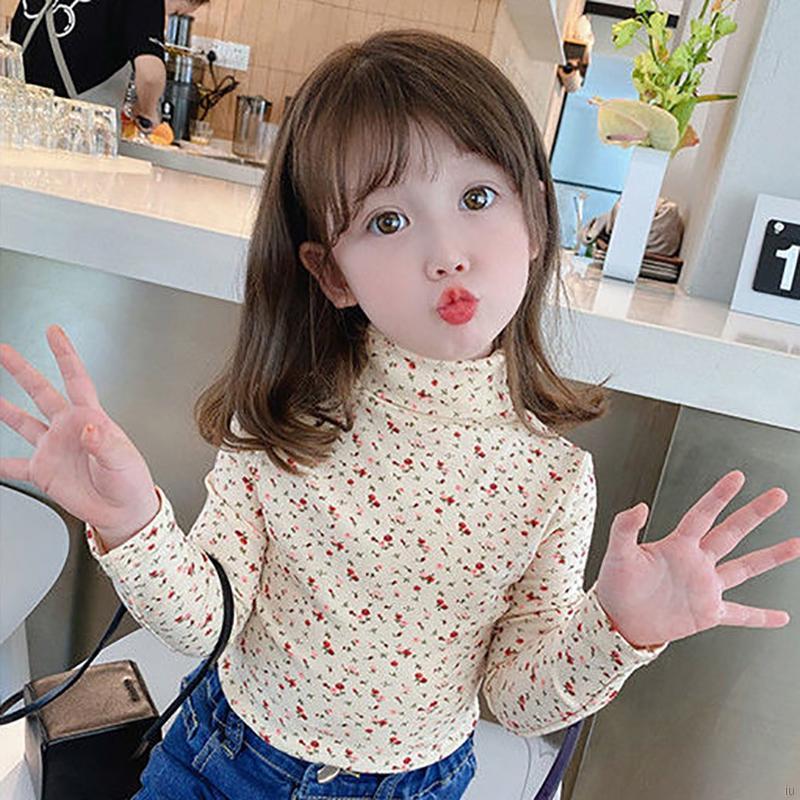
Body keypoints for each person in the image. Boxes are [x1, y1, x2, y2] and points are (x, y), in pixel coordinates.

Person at [1, 28, 798, 800]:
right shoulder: (283, 422)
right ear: (332, 274)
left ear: (534, 218)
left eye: (477, 197)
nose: (446, 252)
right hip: (224, 763)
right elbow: (209, 621)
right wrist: (133, 525)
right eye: (388, 221)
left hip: (418, 787)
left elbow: (515, 699)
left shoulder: (554, 479)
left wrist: (619, 629)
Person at [9, 0, 208, 127]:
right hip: (77, 134)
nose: (167, 18)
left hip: (16, 122)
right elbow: (150, 76)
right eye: (176, 12)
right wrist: (147, 110)